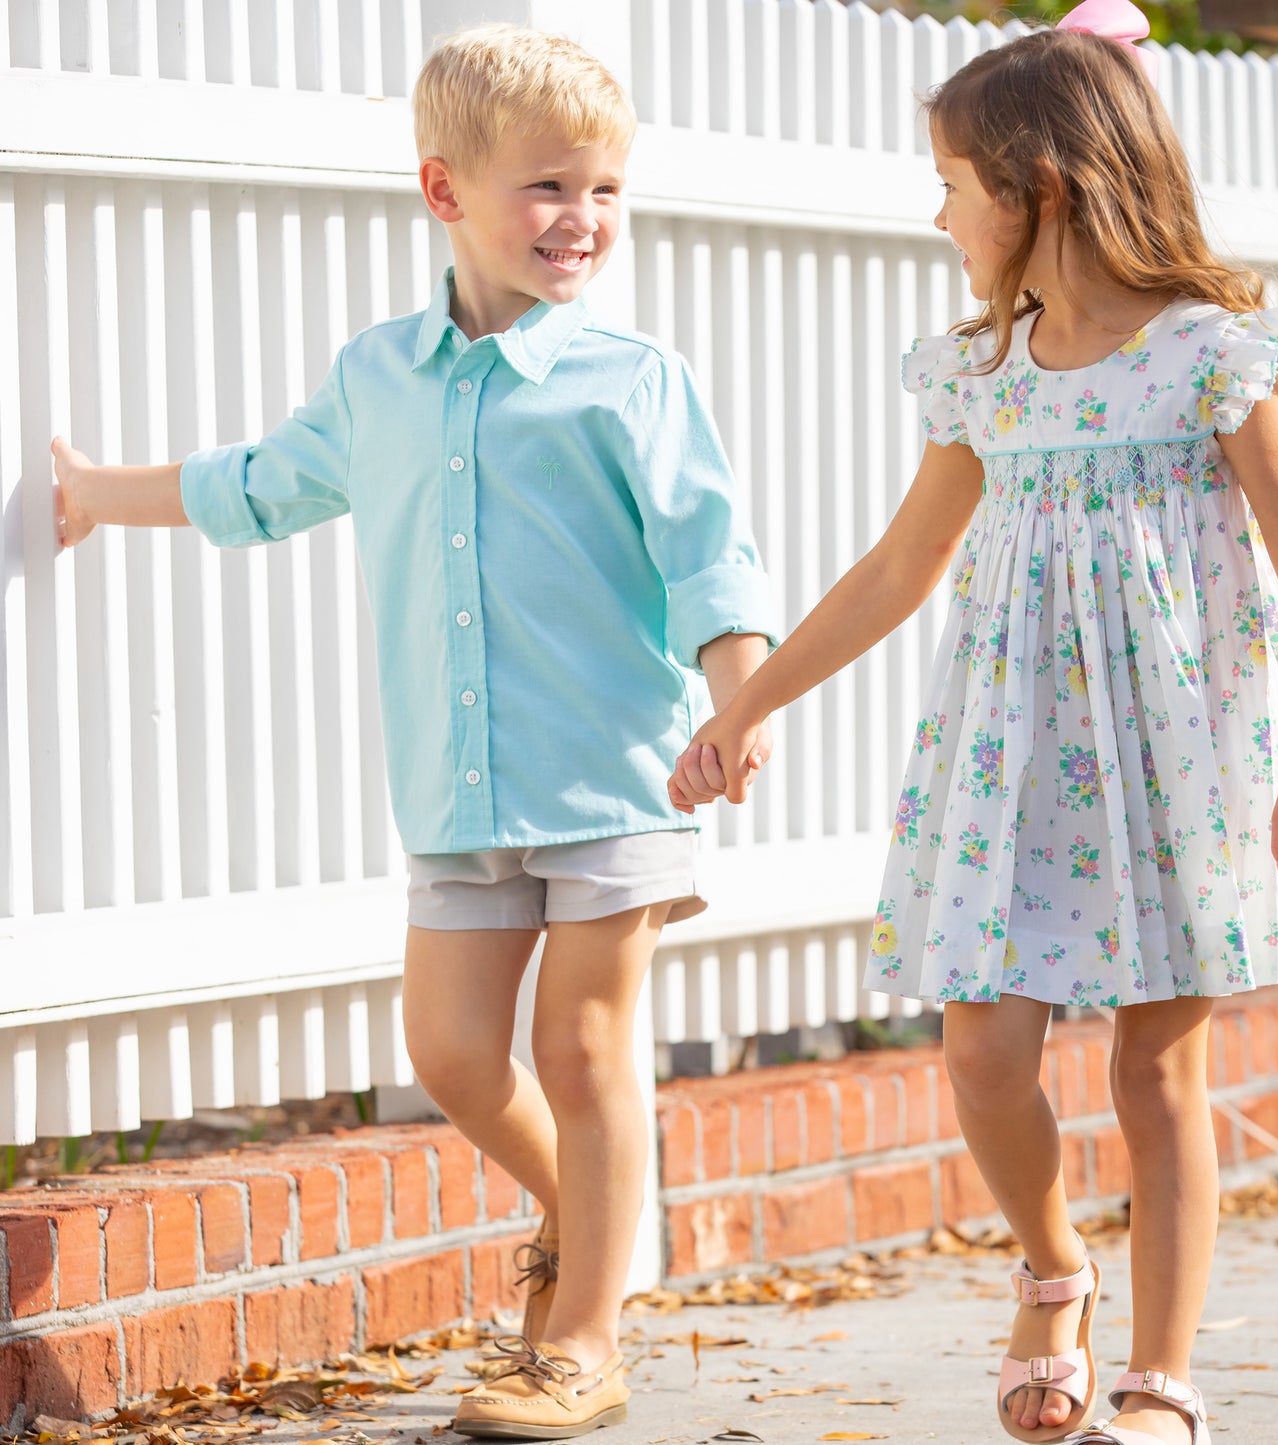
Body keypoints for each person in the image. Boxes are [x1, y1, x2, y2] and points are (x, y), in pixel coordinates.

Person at [53, 23, 775, 1440]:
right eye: (548, 189)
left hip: (616, 771)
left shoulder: (631, 377)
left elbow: (712, 557)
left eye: (605, 192)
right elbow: (260, 484)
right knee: (448, 1051)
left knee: (581, 1046)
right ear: (445, 193)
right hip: (456, 785)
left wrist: (736, 697)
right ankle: (595, 1209)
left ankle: (578, 1335)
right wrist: (94, 494)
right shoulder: (379, 373)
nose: (582, 220)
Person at [668, 3, 1278, 1443]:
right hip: (1013, 753)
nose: (936, 213)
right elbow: (897, 567)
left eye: (950, 182)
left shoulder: (1208, 355)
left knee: (1155, 1068)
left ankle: (1165, 1379)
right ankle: (1053, 1270)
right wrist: (751, 698)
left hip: (1175, 752)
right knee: (981, 1048)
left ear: (1037, 187)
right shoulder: (976, 376)